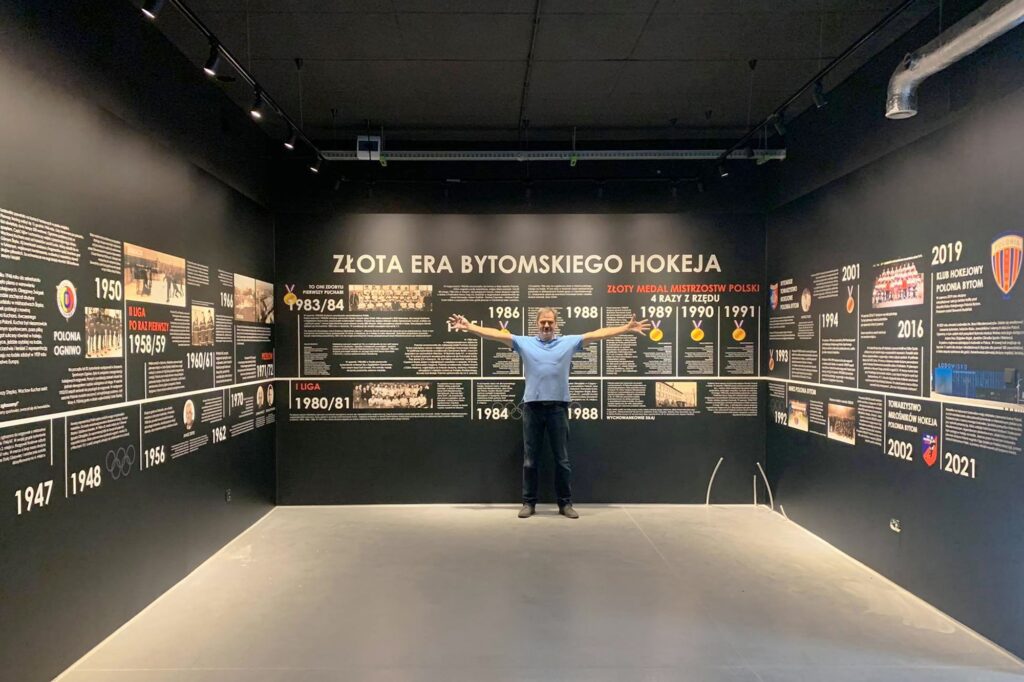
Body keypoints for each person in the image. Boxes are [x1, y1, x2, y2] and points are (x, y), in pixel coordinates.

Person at [448, 307, 650, 519]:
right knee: (530, 460)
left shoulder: (568, 342)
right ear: (537, 323)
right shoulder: (524, 342)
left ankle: (565, 503)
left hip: (558, 408)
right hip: (532, 408)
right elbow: (496, 335)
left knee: (562, 460)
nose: (546, 325)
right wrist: (469, 326)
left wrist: (625, 328)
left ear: (556, 324)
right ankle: (528, 503)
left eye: (550, 322)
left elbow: (596, 334)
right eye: (543, 322)